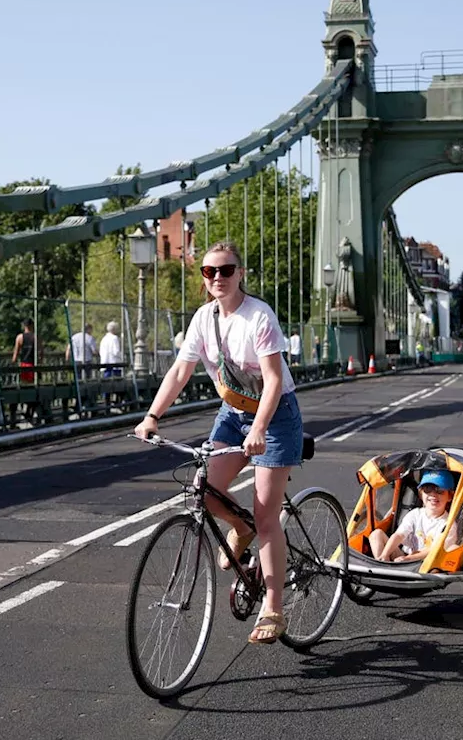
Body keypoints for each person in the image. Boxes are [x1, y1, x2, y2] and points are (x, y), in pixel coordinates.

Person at [134, 240, 302, 646]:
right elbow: (179, 371)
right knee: (203, 490)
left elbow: (274, 380)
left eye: (226, 270)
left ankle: (274, 607)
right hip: (232, 412)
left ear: (240, 273)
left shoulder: (258, 316)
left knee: (266, 515)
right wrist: (152, 416)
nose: (218, 278)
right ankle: (239, 526)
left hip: (274, 414)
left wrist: (260, 427)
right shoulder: (202, 319)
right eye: (209, 272)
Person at [368, 470, 463, 563]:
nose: (433, 495)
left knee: (453, 548)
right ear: (421, 494)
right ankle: (381, 564)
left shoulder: (448, 524)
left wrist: (409, 559)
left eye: (440, 491)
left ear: (450, 496)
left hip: (427, 564)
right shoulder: (415, 514)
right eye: (428, 489)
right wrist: (385, 554)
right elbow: (399, 535)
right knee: (376, 534)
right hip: (404, 557)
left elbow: (435, 550)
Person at [11, 318, 37, 383]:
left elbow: (16, 352)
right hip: (33, 363)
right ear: (32, 325)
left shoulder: (19, 337)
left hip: (24, 364)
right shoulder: (35, 337)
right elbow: (41, 351)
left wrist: (13, 362)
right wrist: (40, 360)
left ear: (24, 326)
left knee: (24, 383)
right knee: (34, 383)